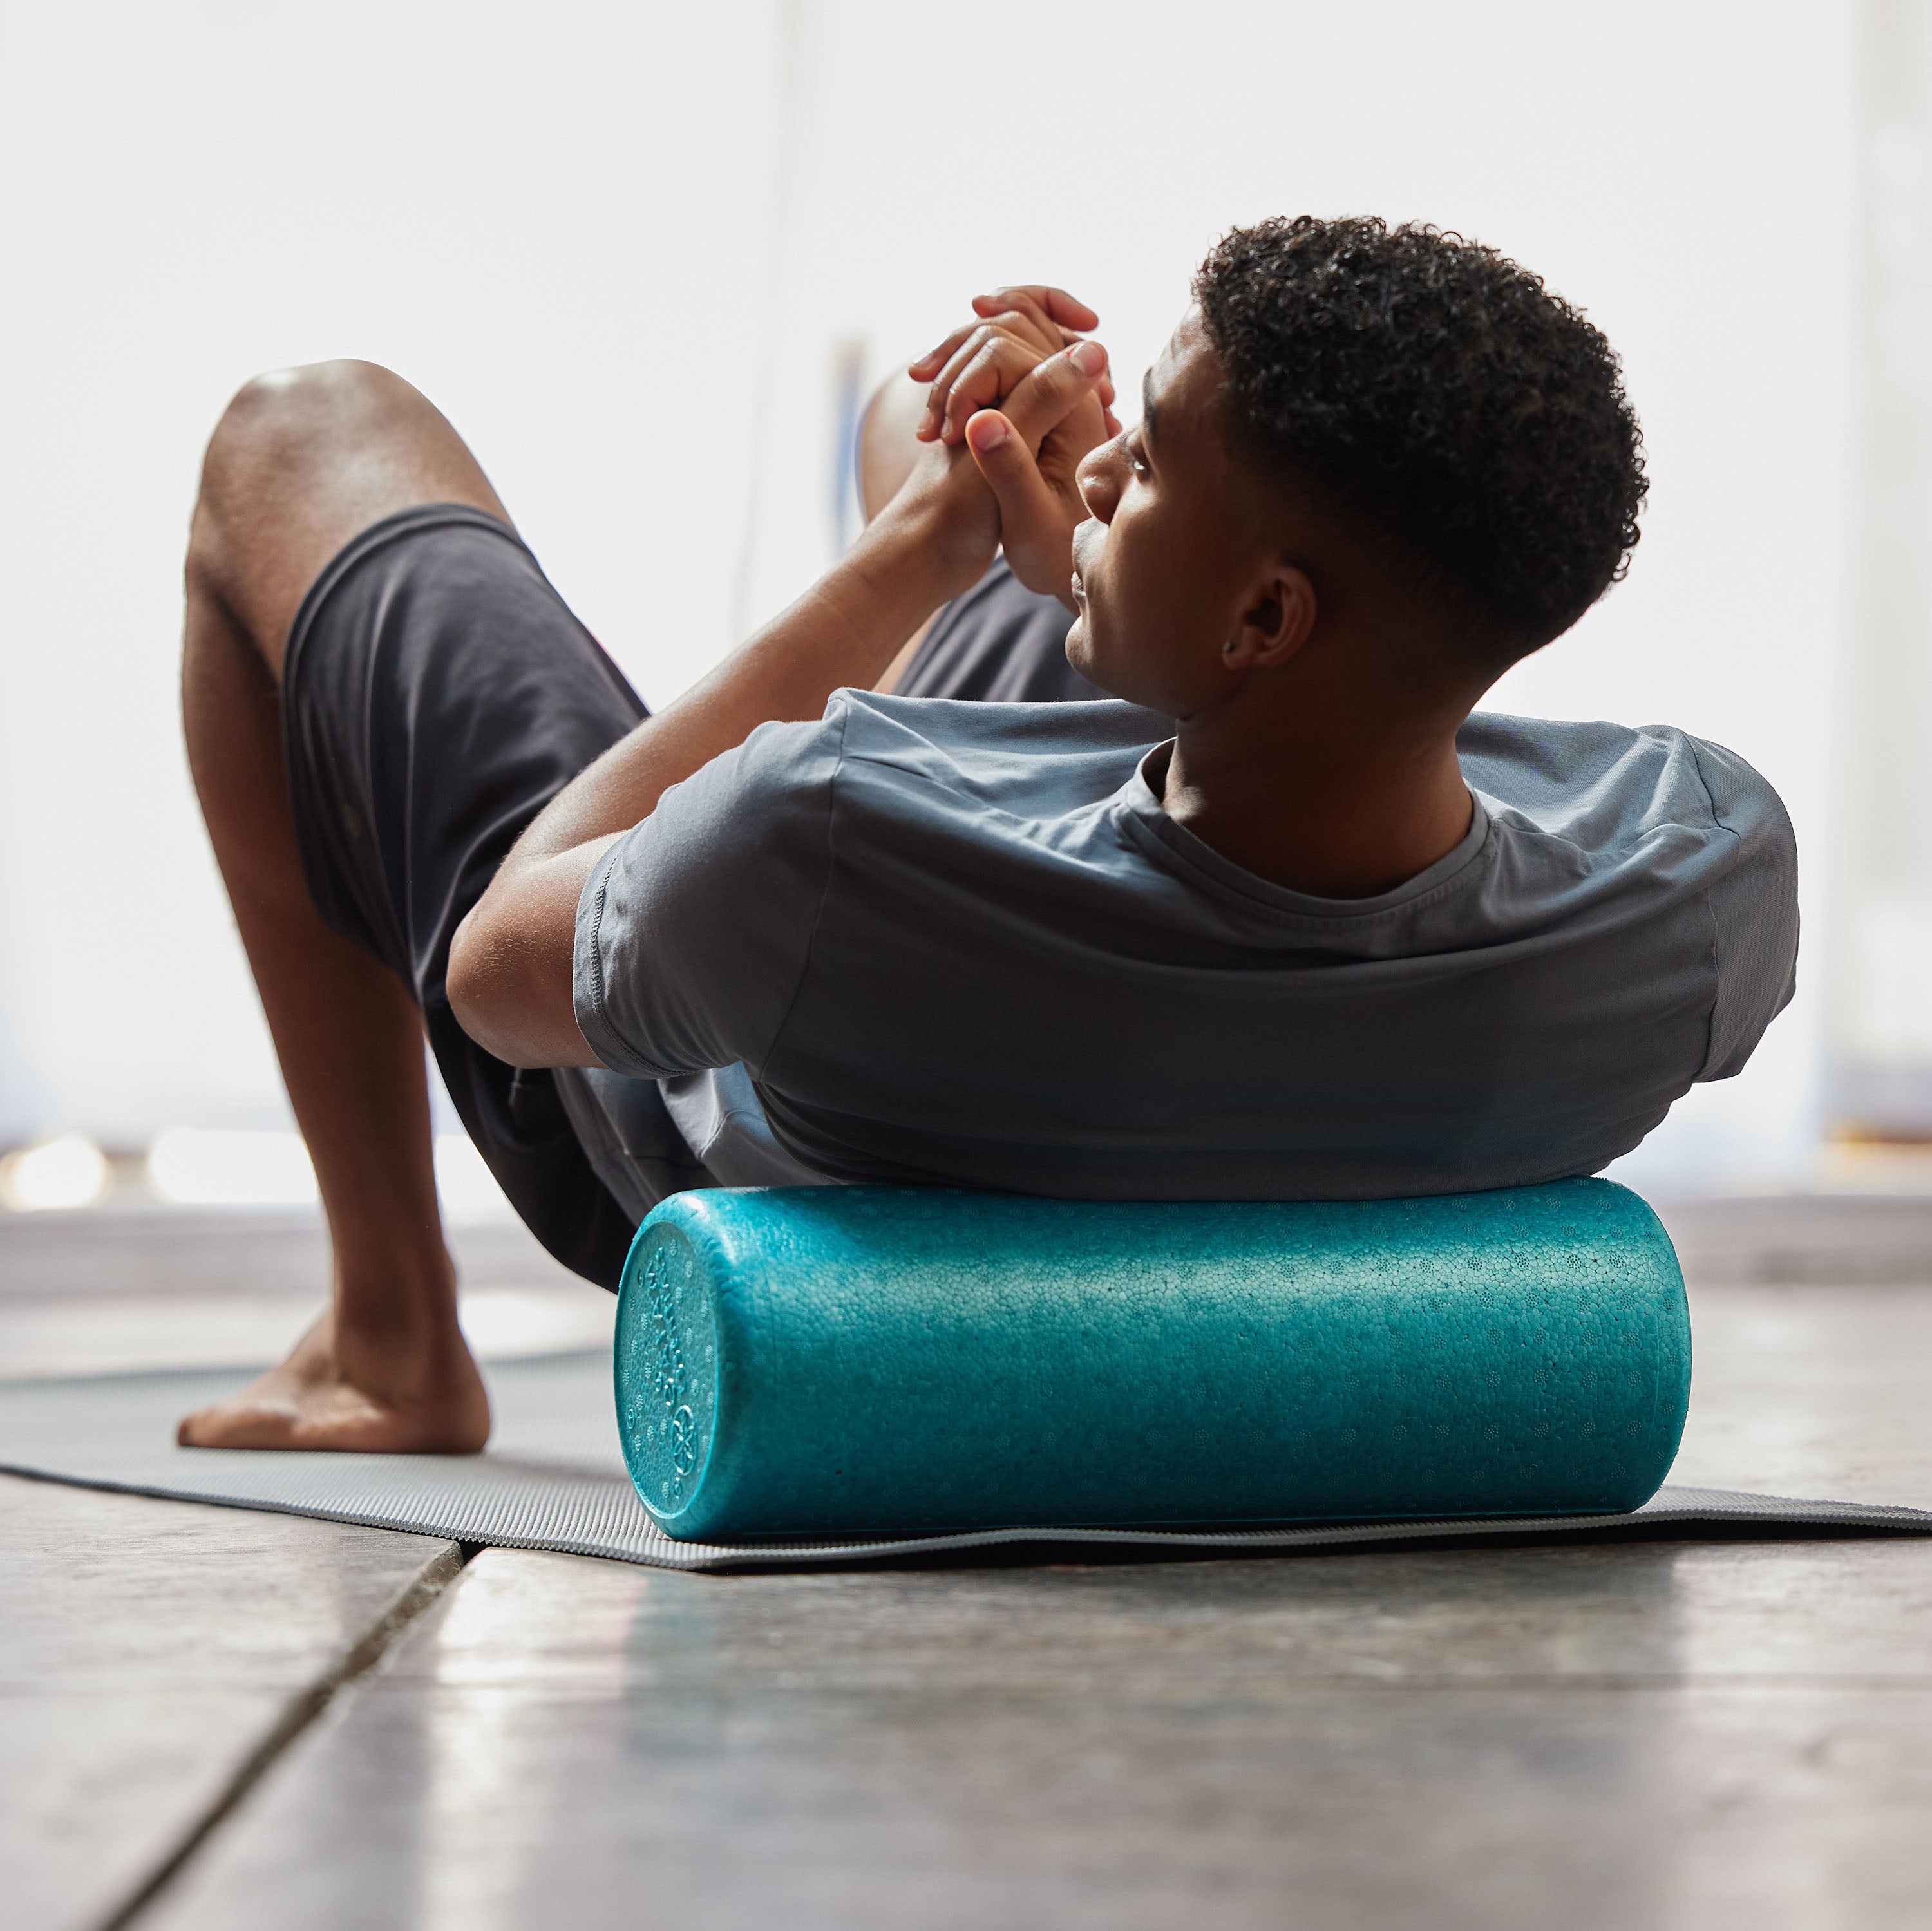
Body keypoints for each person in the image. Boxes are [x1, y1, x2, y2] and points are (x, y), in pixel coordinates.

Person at [175, 216, 1797, 1455]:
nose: (1098, 470)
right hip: (1173, 1004)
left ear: (1261, 618)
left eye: (1141, 463)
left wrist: (908, 561)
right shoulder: (1702, 874)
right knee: (930, 410)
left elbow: (494, 966)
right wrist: (1074, 564)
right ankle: (1035, 507)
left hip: (734, 1116)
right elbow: (1346, 733)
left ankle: (389, 1331)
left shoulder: (820, 837)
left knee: (296, 432)